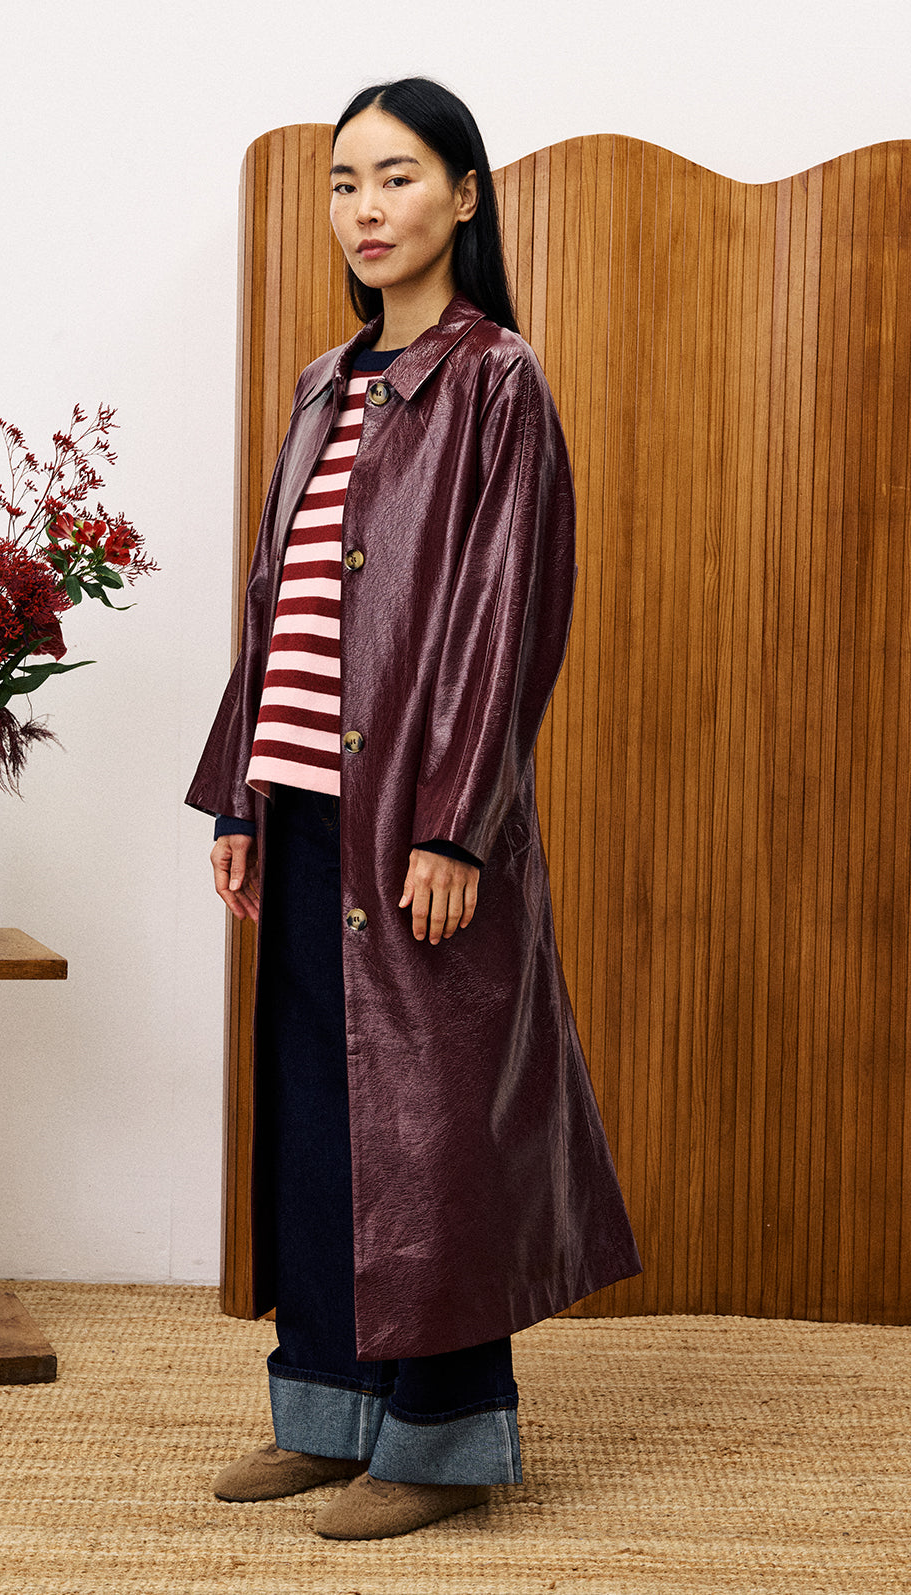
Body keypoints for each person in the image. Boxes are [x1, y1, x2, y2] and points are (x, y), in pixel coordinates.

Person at [186, 77, 640, 1541]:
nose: (364, 209)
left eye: (393, 178)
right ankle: (325, 1414)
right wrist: (241, 794)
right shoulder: (326, 384)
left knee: (433, 1131)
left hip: (417, 824)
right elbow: (278, 613)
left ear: (461, 194)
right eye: (342, 185)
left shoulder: (494, 377)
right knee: (322, 1125)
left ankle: (437, 1448)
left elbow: (507, 617)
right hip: (309, 811)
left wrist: (457, 825)